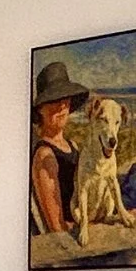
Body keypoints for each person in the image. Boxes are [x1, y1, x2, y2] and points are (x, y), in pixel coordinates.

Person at [28, 60, 91, 238]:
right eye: (55, 100)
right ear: (40, 109)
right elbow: (57, 226)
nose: (62, 106)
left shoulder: (72, 145)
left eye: (65, 99)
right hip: (74, 232)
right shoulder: (44, 155)